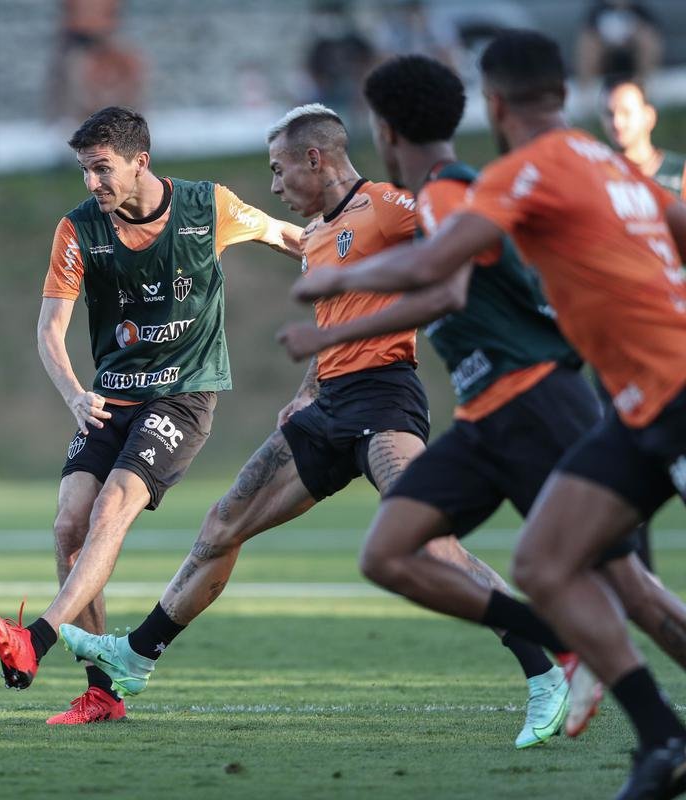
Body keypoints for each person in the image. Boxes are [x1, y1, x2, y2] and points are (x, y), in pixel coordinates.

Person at [58, 102, 561, 746]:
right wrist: (306, 390)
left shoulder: (386, 206)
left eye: (278, 169)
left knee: (429, 541)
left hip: (385, 402)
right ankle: (136, 657)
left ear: (314, 159)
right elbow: (335, 329)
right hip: (329, 408)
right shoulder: (319, 237)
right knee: (222, 524)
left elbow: (472, 234)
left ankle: (545, 669)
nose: (273, 186)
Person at [288, 30, 686, 800]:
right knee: (543, 564)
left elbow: (440, 273)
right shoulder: (610, 166)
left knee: (617, 582)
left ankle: (649, 725)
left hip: (613, 396)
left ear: (495, 103)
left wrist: (328, 296)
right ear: (565, 94)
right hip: (623, 406)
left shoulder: (508, 176)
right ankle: (661, 736)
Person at [0, 106, 304, 725]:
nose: (93, 183)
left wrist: (354, 260)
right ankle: (104, 692)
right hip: (108, 397)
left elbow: (288, 237)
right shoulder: (77, 231)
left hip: (182, 395)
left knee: (111, 508)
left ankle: (36, 640)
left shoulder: (208, 208)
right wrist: (74, 393)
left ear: (139, 161)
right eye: (85, 171)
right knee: (69, 526)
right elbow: (50, 329)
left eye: (102, 169)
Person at [601, 77, 685, 200]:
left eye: (626, 112)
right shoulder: (600, 177)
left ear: (649, 117)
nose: (616, 122)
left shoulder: (680, 173)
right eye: (609, 114)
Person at [576, 0, 662, 85]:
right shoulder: (596, 11)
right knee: (587, 44)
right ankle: (587, 90)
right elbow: (588, 33)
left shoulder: (640, 10)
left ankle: (645, 85)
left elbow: (652, 34)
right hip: (604, 51)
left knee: (647, 39)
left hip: (631, 49)